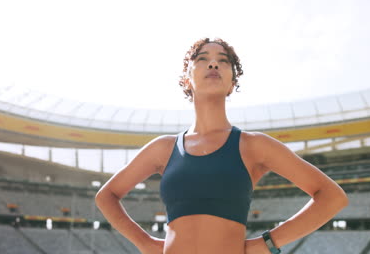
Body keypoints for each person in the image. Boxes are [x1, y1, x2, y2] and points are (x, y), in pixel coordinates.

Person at [95, 38, 349, 254]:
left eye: (223, 60)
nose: (213, 63)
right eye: (202, 58)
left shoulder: (254, 145)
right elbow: (106, 196)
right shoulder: (163, 148)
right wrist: (146, 244)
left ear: (232, 82)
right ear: (187, 78)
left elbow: (331, 197)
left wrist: (267, 244)